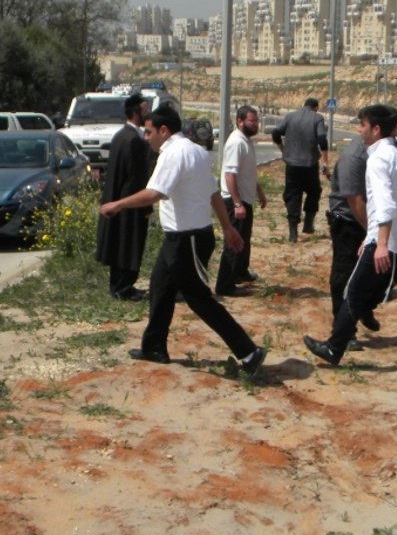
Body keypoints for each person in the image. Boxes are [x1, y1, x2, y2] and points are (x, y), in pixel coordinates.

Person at [99, 105, 267, 378]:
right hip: (183, 238)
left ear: (164, 130)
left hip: (186, 240)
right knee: (159, 288)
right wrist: (227, 228)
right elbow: (213, 193)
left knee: (200, 300)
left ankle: (248, 352)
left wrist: (117, 204)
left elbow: (155, 193)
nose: (146, 137)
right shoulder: (196, 151)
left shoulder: (174, 154)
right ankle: (153, 347)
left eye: (149, 132)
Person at [302, 104, 397, 366]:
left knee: (354, 291)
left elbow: (385, 205)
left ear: (376, 129)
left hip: (390, 242)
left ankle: (333, 348)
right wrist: (372, 238)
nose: (358, 129)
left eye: (362, 124)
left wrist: (379, 244)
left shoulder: (378, 159)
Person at [323, 129, 379, 342]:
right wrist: (370, 231)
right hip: (348, 222)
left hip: (370, 220)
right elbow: (354, 200)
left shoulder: (382, 150)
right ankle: (343, 330)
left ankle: (364, 309)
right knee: (343, 275)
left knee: (375, 273)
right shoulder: (353, 157)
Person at [96, 93, 152, 300]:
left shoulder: (121, 136)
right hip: (130, 203)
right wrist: (145, 205)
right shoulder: (133, 140)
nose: (148, 114)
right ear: (136, 112)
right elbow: (136, 176)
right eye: (145, 110)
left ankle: (120, 286)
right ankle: (123, 287)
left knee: (120, 244)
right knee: (128, 245)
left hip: (119, 199)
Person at [214, 105, 267, 296]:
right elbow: (229, 175)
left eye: (256, 121)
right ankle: (224, 285)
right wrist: (237, 203)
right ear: (240, 121)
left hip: (245, 198)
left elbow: (248, 172)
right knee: (234, 242)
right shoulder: (236, 142)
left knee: (244, 239)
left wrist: (258, 191)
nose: (256, 124)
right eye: (252, 121)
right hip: (234, 201)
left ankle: (240, 273)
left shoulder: (246, 141)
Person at [272, 97, 329, 242]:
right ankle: (308, 223)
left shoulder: (290, 116)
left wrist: (283, 149)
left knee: (292, 195)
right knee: (314, 191)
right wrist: (325, 162)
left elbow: (275, 133)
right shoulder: (317, 118)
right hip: (309, 165)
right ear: (316, 107)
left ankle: (293, 232)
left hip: (291, 165)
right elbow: (322, 140)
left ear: (303, 105)